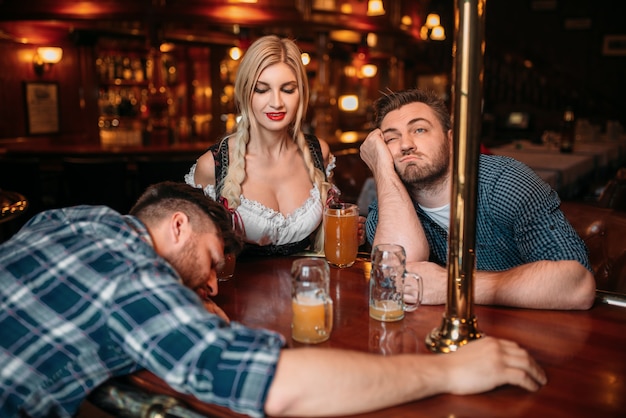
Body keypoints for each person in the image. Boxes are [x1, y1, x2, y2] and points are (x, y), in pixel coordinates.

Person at [0, 181, 547, 418]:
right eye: (214, 261)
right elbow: (275, 388)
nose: (213, 286)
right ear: (177, 225)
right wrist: (450, 374)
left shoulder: (73, 220)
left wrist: (182, 300)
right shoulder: (131, 279)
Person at [360, 89, 596, 310]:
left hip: (525, 332)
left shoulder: (505, 183)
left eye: (419, 130)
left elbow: (578, 285)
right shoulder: (386, 210)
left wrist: (454, 286)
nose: (406, 144)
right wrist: (381, 167)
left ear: (451, 140)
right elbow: (397, 278)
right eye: (391, 139)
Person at [186, 34, 353, 256]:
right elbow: (193, 253)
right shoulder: (212, 166)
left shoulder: (317, 152)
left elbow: (329, 237)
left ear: (301, 94)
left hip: (306, 286)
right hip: (236, 290)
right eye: (262, 89)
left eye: (288, 89)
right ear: (246, 93)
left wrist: (354, 233)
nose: (276, 102)